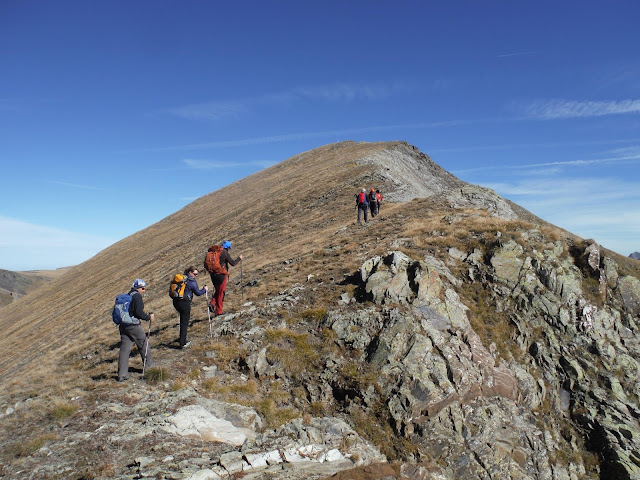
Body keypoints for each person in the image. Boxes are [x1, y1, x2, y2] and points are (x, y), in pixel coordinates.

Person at [117, 278, 154, 382]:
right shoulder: (137, 296)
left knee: (124, 349)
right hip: (133, 325)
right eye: (143, 288)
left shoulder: (128, 295)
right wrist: (148, 317)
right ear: (138, 288)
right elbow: (138, 312)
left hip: (123, 325)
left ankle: (122, 374)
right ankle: (150, 367)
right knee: (143, 343)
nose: (144, 290)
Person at [173, 266, 208, 349]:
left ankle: (182, 337)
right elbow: (198, 293)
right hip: (185, 303)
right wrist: (204, 289)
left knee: (182, 320)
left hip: (176, 301)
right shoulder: (191, 281)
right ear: (190, 273)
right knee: (184, 323)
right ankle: (183, 342)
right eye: (195, 274)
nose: (196, 276)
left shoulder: (182, 278)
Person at [208, 241, 242, 316]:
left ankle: (212, 303)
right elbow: (233, 263)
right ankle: (219, 311)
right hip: (221, 275)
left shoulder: (215, 252)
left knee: (218, 291)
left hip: (213, 275)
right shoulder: (224, 253)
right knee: (221, 293)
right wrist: (239, 258)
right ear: (227, 247)